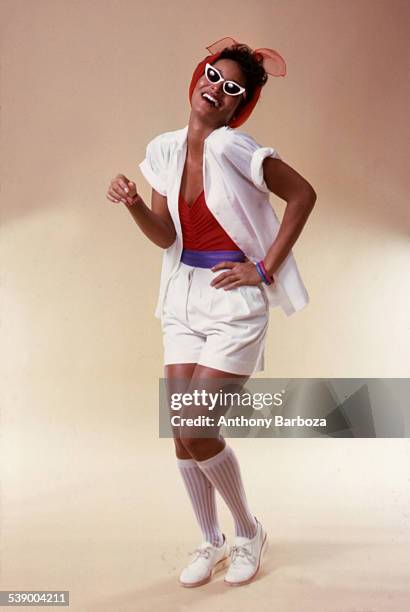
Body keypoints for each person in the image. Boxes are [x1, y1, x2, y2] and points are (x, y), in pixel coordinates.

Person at [106, 37, 316, 588]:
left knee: (198, 425)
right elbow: (165, 236)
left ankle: (248, 532)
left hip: (232, 301)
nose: (217, 89)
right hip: (182, 296)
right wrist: (132, 204)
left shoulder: (234, 148)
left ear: (239, 105)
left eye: (232, 89)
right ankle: (212, 541)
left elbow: (303, 195)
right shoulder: (164, 150)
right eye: (212, 76)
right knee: (182, 431)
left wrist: (264, 268)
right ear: (197, 76)